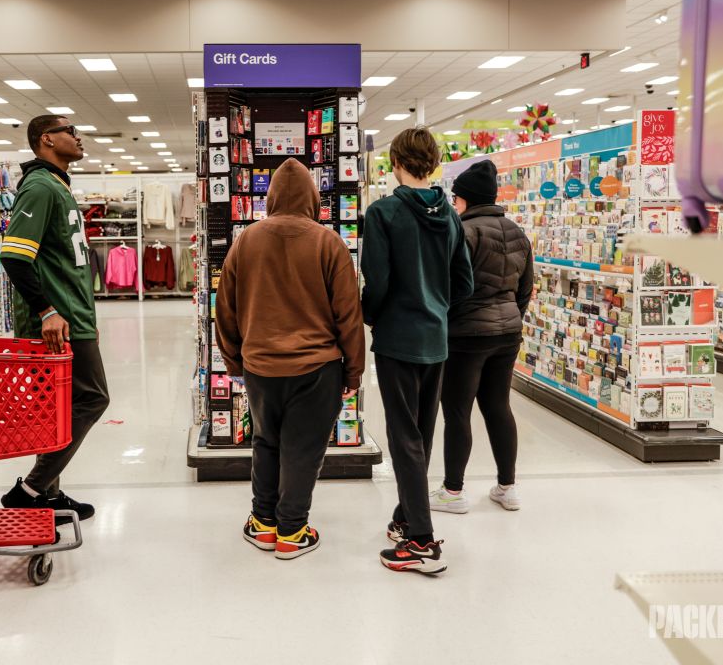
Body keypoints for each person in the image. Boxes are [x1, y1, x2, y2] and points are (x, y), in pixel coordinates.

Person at [215, 158, 365, 560]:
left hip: (260, 367)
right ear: (313, 199)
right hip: (317, 369)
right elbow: (348, 315)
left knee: (266, 442)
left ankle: (263, 523)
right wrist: (354, 369)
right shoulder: (328, 242)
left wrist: (234, 363)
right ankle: (293, 531)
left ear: (272, 197)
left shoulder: (245, 240)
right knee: (303, 448)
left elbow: (224, 309)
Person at [360, 127, 473, 574]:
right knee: (421, 434)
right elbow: (463, 283)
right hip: (436, 340)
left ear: (395, 164)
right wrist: (438, 308)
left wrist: (370, 315)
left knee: (403, 436)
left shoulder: (383, 213)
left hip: (398, 339)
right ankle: (406, 516)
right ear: (433, 163)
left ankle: (421, 541)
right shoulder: (449, 215)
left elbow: (379, 281)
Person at [0, 115, 109, 523]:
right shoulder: (42, 187)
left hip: (72, 318)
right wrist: (47, 310)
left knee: (55, 411)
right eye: (70, 131)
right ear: (47, 139)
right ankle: (31, 489)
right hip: (56, 325)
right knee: (93, 398)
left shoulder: (57, 185)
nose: (78, 137)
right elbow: (13, 254)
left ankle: (45, 493)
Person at [429, 159, 533, 514]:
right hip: (507, 333)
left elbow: (448, 287)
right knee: (498, 406)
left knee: (457, 411)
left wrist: (453, 320)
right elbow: (525, 288)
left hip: (466, 336)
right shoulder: (517, 232)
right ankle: (508, 486)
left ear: (465, 200)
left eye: (456, 198)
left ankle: (454, 491)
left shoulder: (462, 233)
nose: (454, 204)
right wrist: (509, 317)